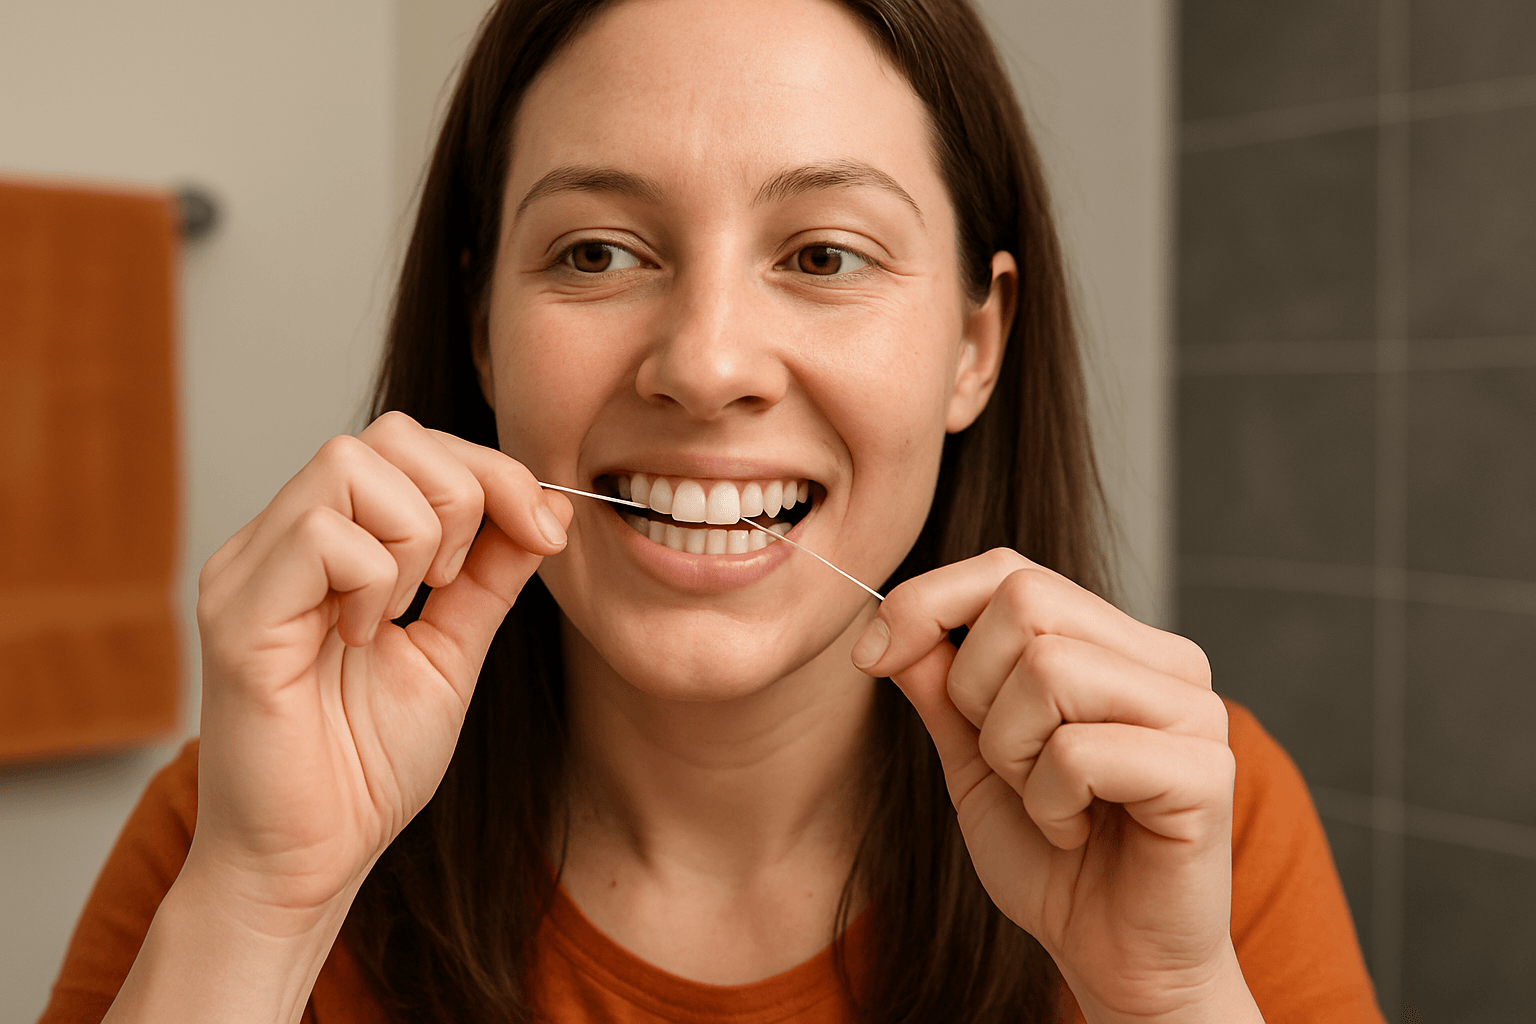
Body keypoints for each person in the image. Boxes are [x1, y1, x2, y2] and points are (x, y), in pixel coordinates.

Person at [41, 1, 1383, 1021]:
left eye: (822, 255)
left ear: (978, 342)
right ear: (482, 328)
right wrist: (262, 908)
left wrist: (1164, 992)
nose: (706, 363)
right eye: (597, 253)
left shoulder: (1189, 821)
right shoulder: (246, 821)